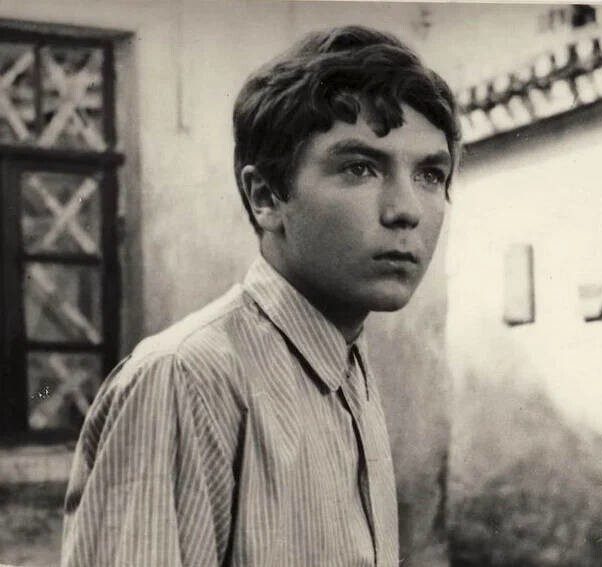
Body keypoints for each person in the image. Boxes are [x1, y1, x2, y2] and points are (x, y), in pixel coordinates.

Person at [61, 25, 460, 566]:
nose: (406, 209)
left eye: (430, 174)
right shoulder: (188, 379)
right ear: (266, 197)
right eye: (360, 168)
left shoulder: (348, 364)